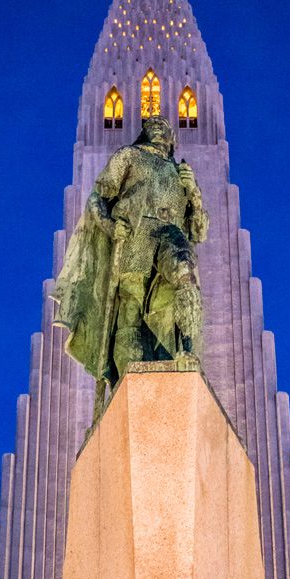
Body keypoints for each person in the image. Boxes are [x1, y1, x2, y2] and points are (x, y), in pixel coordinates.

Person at [53, 115, 209, 386]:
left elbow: (199, 232)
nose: (158, 126)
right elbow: (97, 197)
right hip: (137, 234)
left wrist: (194, 191)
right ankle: (128, 381)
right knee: (130, 309)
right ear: (144, 132)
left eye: (163, 125)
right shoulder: (128, 155)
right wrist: (110, 225)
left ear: (172, 138)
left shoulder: (181, 172)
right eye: (152, 124)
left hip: (170, 232)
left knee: (185, 270)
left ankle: (188, 349)